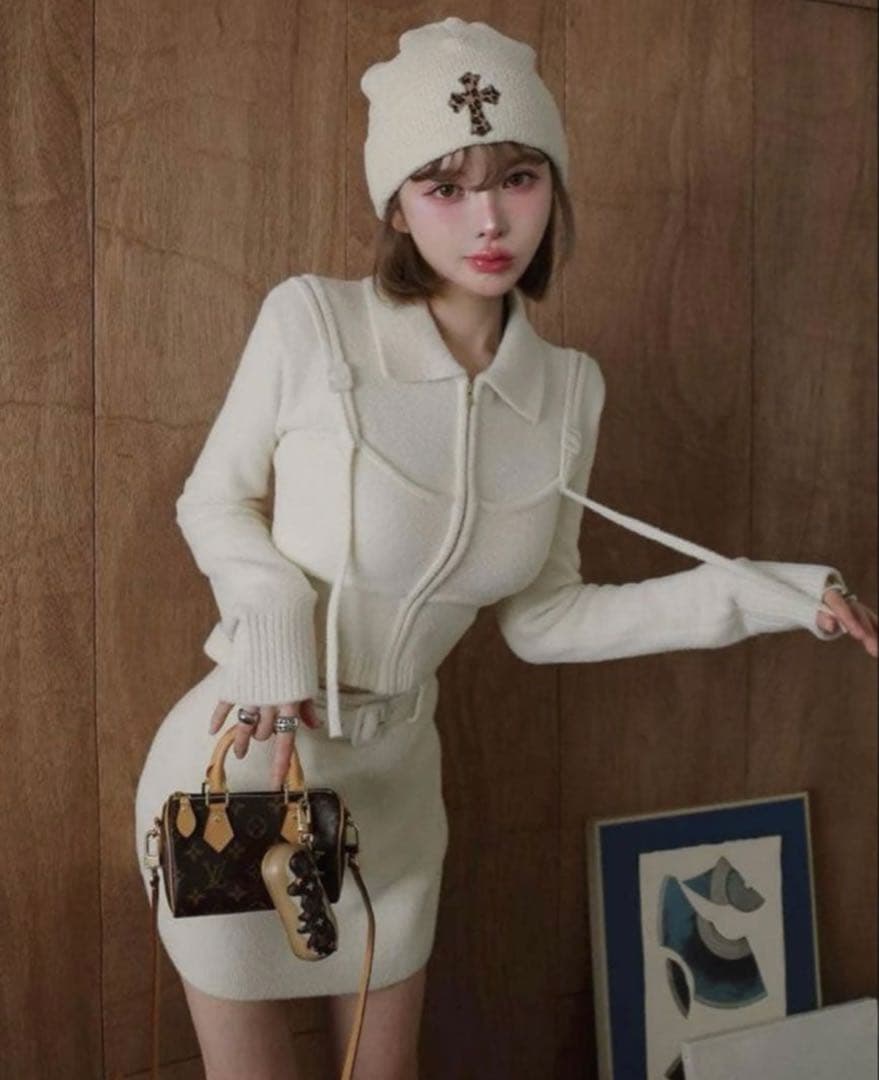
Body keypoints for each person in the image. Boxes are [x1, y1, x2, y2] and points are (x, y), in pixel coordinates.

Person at [133, 16, 877, 1080]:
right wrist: (274, 625)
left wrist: (778, 596)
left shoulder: (568, 391)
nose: (488, 219)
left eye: (517, 178)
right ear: (396, 205)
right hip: (246, 772)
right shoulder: (313, 323)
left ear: (552, 188)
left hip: (397, 789)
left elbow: (545, 618)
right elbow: (214, 498)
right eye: (444, 186)